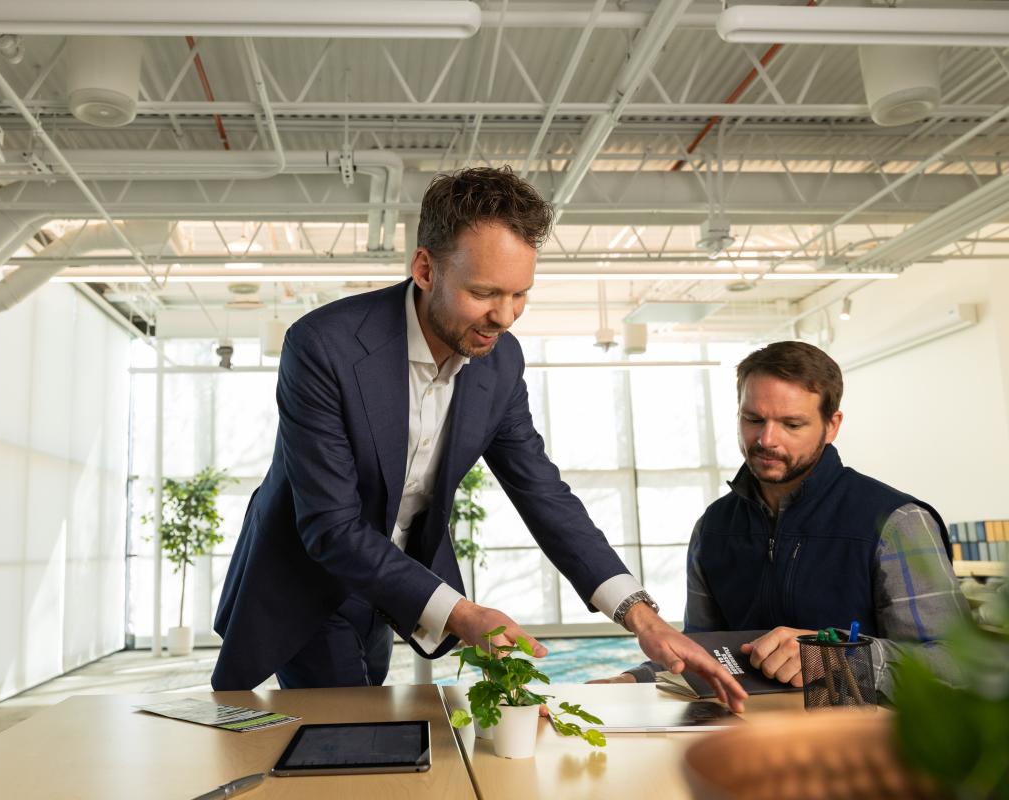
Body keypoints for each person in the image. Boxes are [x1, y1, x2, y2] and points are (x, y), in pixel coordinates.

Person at [212, 166, 746, 711]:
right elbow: (332, 527)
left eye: (520, 294)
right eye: (484, 292)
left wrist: (641, 616)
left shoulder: (500, 362)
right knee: (338, 726)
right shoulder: (322, 345)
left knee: (363, 706)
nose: (505, 316)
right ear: (424, 269)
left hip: (395, 576)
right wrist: (465, 615)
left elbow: (542, 492)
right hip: (309, 570)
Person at [600, 341, 966, 696]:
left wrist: (835, 658)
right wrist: (634, 680)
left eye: (792, 424)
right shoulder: (713, 527)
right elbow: (705, 653)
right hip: (745, 741)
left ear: (832, 425)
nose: (766, 439)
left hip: (867, 747)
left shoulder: (897, 523)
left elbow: (958, 666)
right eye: (753, 419)